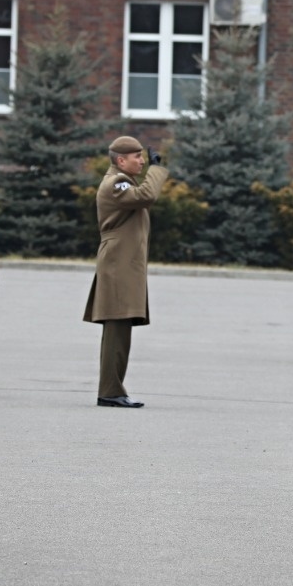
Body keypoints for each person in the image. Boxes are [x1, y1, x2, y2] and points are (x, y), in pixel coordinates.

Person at [83, 135, 169, 408]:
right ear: (121, 160)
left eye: (143, 158)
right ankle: (110, 391)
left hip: (123, 263)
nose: (142, 161)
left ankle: (113, 389)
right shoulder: (117, 182)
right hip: (118, 264)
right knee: (117, 327)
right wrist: (157, 171)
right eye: (137, 158)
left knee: (120, 328)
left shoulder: (123, 180)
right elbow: (146, 195)